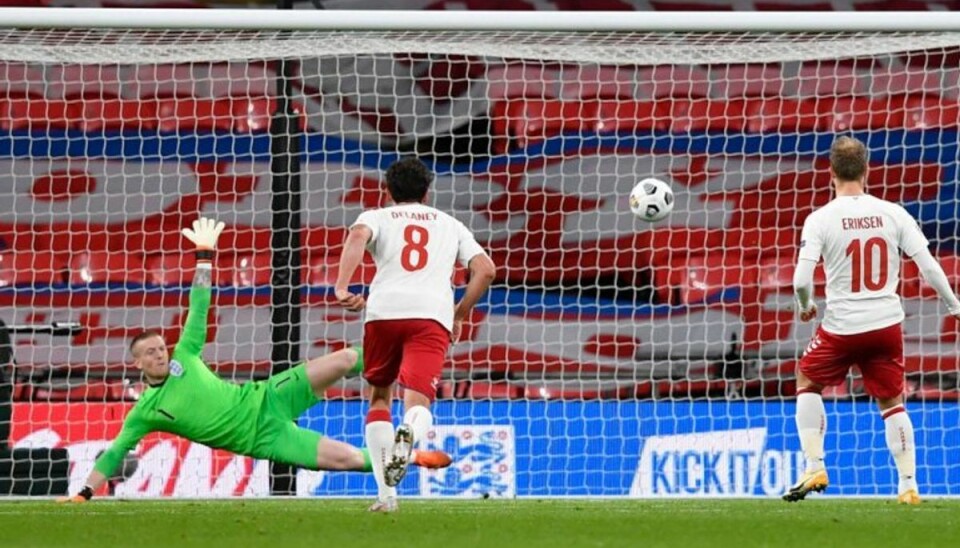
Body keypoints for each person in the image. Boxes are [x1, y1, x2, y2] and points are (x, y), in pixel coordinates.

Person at [58, 217, 451, 503]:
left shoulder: (186, 354)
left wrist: (204, 256)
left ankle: (416, 364)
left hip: (267, 397)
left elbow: (199, 308)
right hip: (264, 438)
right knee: (347, 459)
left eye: (161, 347)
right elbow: (114, 451)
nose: (160, 353)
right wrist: (84, 493)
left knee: (348, 358)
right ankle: (412, 457)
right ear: (137, 365)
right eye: (150, 353)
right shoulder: (146, 410)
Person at [785, 136, 960, 505]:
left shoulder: (819, 219)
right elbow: (929, 265)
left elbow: (801, 280)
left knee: (807, 379)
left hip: (843, 327)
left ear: (830, 173)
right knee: (893, 402)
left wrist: (805, 305)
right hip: (886, 325)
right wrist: (954, 305)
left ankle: (815, 464)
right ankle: (908, 486)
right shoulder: (893, 212)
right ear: (867, 170)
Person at [335, 157, 496, 512]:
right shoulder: (450, 224)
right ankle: (408, 432)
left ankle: (386, 497)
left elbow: (357, 236)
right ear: (427, 191)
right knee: (417, 403)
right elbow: (485, 270)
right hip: (430, 316)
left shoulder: (375, 217)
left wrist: (342, 285)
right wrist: (459, 314)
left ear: (388, 191)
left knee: (379, 397)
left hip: (383, 313)